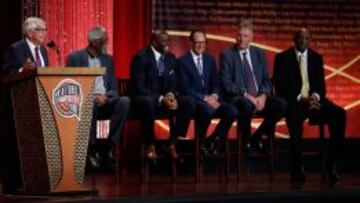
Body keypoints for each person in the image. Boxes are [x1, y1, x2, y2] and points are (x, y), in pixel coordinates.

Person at [273, 28, 346, 182]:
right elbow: (280, 87)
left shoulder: (316, 58)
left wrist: (315, 97)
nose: (303, 41)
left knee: (339, 114)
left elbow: (321, 86)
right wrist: (301, 98)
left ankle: (331, 165)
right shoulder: (282, 58)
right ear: (294, 39)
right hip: (296, 102)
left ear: (310, 40)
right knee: (294, 118)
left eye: (306, 38)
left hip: (315, 101)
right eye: (300, 38)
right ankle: (297, 168)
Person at [66, 26, 130, 169]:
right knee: (90, 104)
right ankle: (92, 148)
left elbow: (113, 87)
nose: (106, 44)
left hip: (106, 100)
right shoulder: (75, 57)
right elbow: (70, 86)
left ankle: (109, 145)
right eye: (104, 41)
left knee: (125, 101)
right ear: (95, 42)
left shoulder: (108, 59)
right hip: (85, 101)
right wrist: (91, 96)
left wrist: (106, 97)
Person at [219, 20, 287, 155]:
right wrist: (248, 96)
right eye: (239, 35)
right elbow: (226, 83)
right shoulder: (227, 54)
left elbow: (267, 80)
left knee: (282, 104)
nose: (241, 39)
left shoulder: (259, 53)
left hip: (259, 96)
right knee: (247, 105)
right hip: (240, 97)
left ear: (251, 37)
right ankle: (246, 143)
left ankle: (256, 137)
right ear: (235, 36)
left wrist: (263, 95)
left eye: (245, 36)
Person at [0, 16, 49, 193]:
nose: (45, 33)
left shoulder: (43, 51)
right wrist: (22, 70)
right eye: (41, 29)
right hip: (17, 106)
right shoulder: (15, 49)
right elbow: (5, 74)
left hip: (38, 105)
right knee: (15, 146)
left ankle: (36, 181)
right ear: (29, 32)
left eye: (45, 29)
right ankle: (14, 184)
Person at [129, 30, 194, 160]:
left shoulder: (170, 58)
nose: (167, 43)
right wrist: (160, 98)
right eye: (164, 41)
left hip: (164, 99)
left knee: (189, 102)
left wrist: (170, 95)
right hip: (144, 99)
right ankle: (150, 145)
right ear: (154, 42)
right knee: (148, 102)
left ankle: (172, 143)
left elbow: (174, 82)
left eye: (168, 40)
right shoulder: (141, 57)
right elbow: (139, 87)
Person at [177, 29, 237, 154]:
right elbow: (184, 88)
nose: (200, 46)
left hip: (211, 99)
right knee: (207, 110)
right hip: (196, 101)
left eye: (203, 42)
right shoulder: (182, 61)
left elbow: (216, 82)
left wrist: (214, 96)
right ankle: (200, 142)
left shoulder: (209, 59)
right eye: (197, 42)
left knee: (232, 111)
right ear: (191, 43)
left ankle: (211, 139)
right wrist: (205, 98)